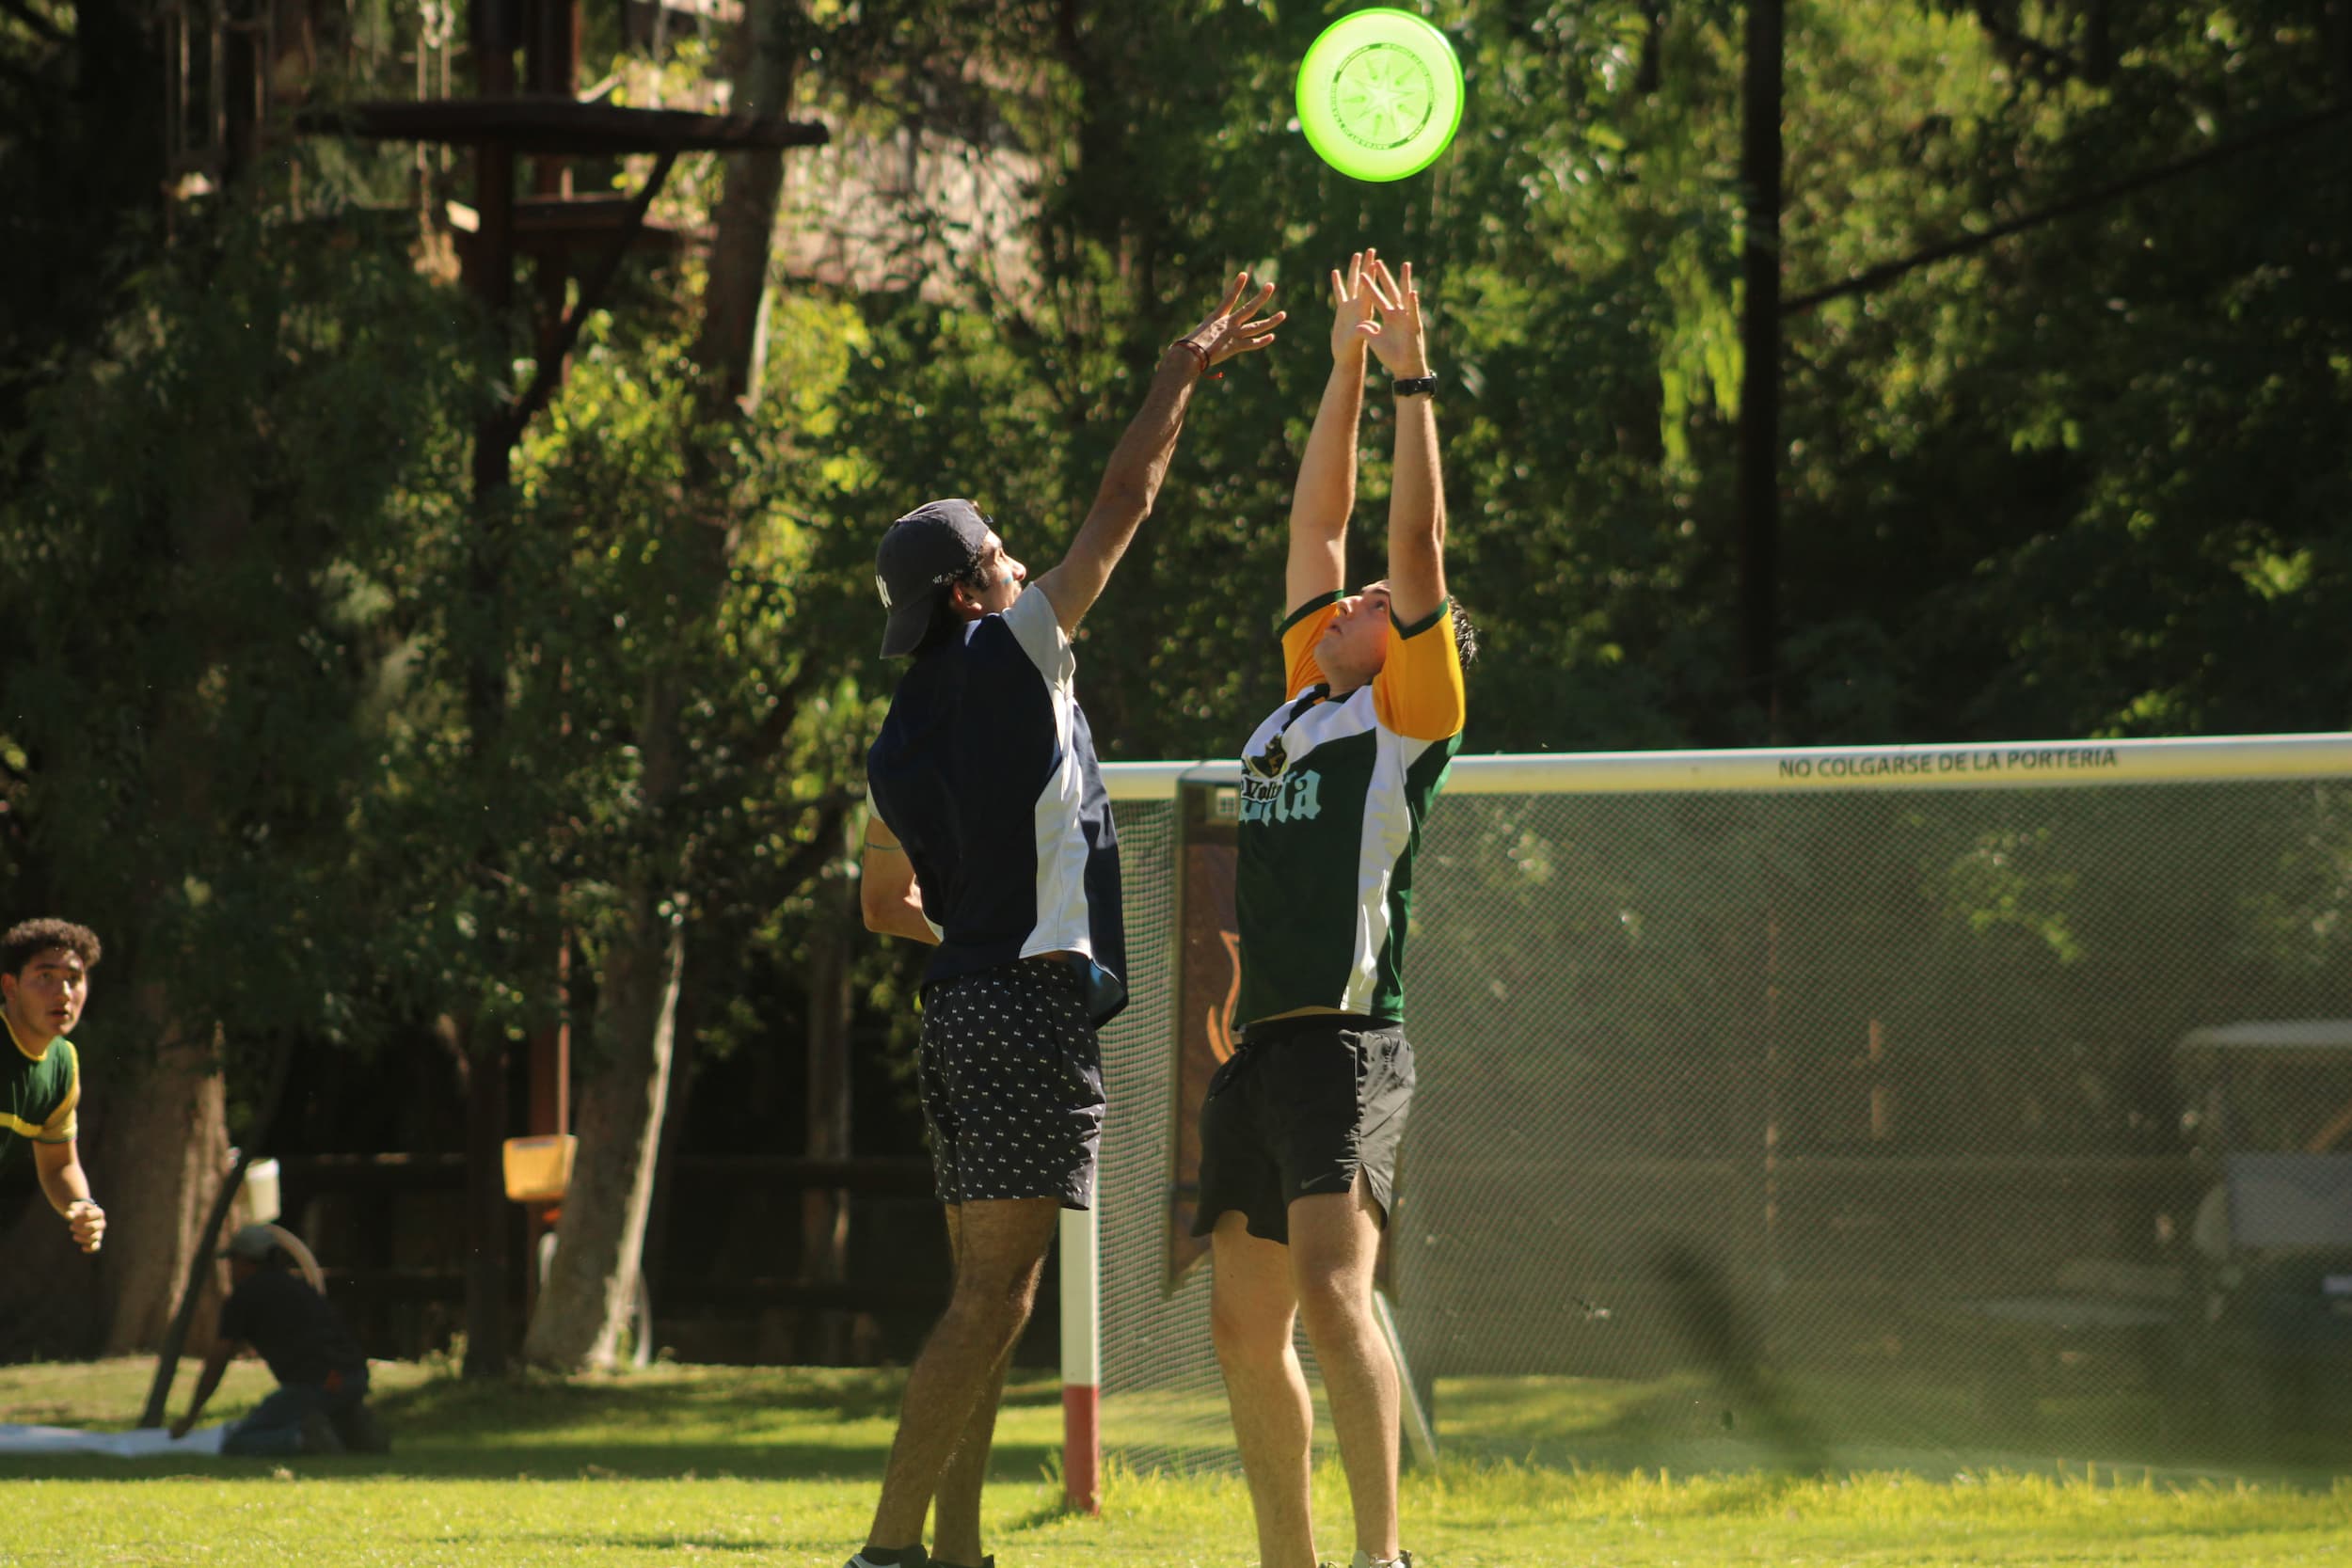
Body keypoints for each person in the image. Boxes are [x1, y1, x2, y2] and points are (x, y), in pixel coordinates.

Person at [851, 272, 1284, 1568]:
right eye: (999, 550)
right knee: (994, 1298)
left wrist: (978, 938)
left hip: (958, 1011)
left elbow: (884, 903)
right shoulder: (1015, 653)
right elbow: (1125, 501)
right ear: (970, 591)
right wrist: (1178, 374)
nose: (1019, 557)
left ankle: (957, 1548)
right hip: (1027, 1009)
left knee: (987, 1294)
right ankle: (887, 1550)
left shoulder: (892, 737)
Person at [1198, 252, 1472, 1568]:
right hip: (1262, 1053)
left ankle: (1382, 1556)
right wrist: (1345, 359)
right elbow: (1322, 518)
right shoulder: (1305, 695)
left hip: (1349, 1046)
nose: (1357, 593)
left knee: (1328, 1285)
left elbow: (1410, 546)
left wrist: (1414, 379)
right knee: (1241, 1330)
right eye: (1353, 599)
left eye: (1378, 605)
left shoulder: (1408, 709)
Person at [171, 1224, 386, 1455]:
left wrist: (192, 1413)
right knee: (324, 1403)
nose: (230, 1268)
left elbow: (219, 1359)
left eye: (232, 1260)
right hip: (352, 1377)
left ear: (244, 1260)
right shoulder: (299, 1287)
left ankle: (303, 1439)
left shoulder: (244, 1296)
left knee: (238, 1441)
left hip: (316, 1384)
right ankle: (350, 1429)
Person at [2, 918, 106, 1255]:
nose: (63, 993)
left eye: (73, 979)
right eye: (45, 977)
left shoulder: (62, 1064)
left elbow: (59, 1163)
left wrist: (82, 1205)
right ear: (10, 987)